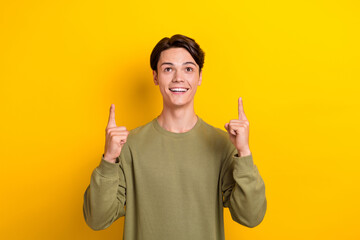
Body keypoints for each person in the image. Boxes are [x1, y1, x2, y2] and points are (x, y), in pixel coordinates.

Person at [83, 34, 267, 240]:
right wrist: (109, 158)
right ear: (155, 76)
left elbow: (251, 216)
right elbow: (97, 219)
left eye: (188, 69)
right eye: (168, 69)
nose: (178, 78)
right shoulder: (128, 145)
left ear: (200, 77)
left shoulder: (223, 144)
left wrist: (244, 153)